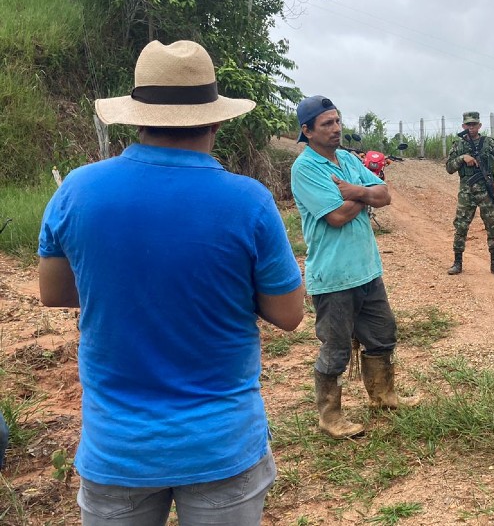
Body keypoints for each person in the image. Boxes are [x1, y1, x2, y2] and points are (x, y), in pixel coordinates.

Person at [37, 40, 305, 525]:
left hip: (118, 448)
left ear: (135, 114)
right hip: (220, 444)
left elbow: (53, 292)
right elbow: (288, 315)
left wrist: (124, 289)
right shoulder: (249, 201)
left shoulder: (77, 189)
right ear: (218, 119)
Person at [291, 95, 419, 441]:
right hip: (333, 277)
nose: (336, 129)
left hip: (366, 269)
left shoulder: (347, 158)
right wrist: (364, 195)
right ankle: (330, 417)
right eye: (326, 124)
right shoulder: (305, 169)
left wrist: (354, 191)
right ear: (307, 131)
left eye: (337, 121)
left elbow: (386, 194)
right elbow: (335, 217)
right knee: (336, 349)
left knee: (382, 335)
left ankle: (383, 397)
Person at [445, 111, 494, 276]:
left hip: (486, 191)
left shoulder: (488, 143)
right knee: (460, 226)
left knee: (492, 226)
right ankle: (457, 262)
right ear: (463, 126)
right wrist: (462, 158)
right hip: (466, 192)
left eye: (474, 124)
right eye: (468, 125)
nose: (471, 127)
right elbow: (449, 168)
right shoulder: (458, 145)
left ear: (479, 125)